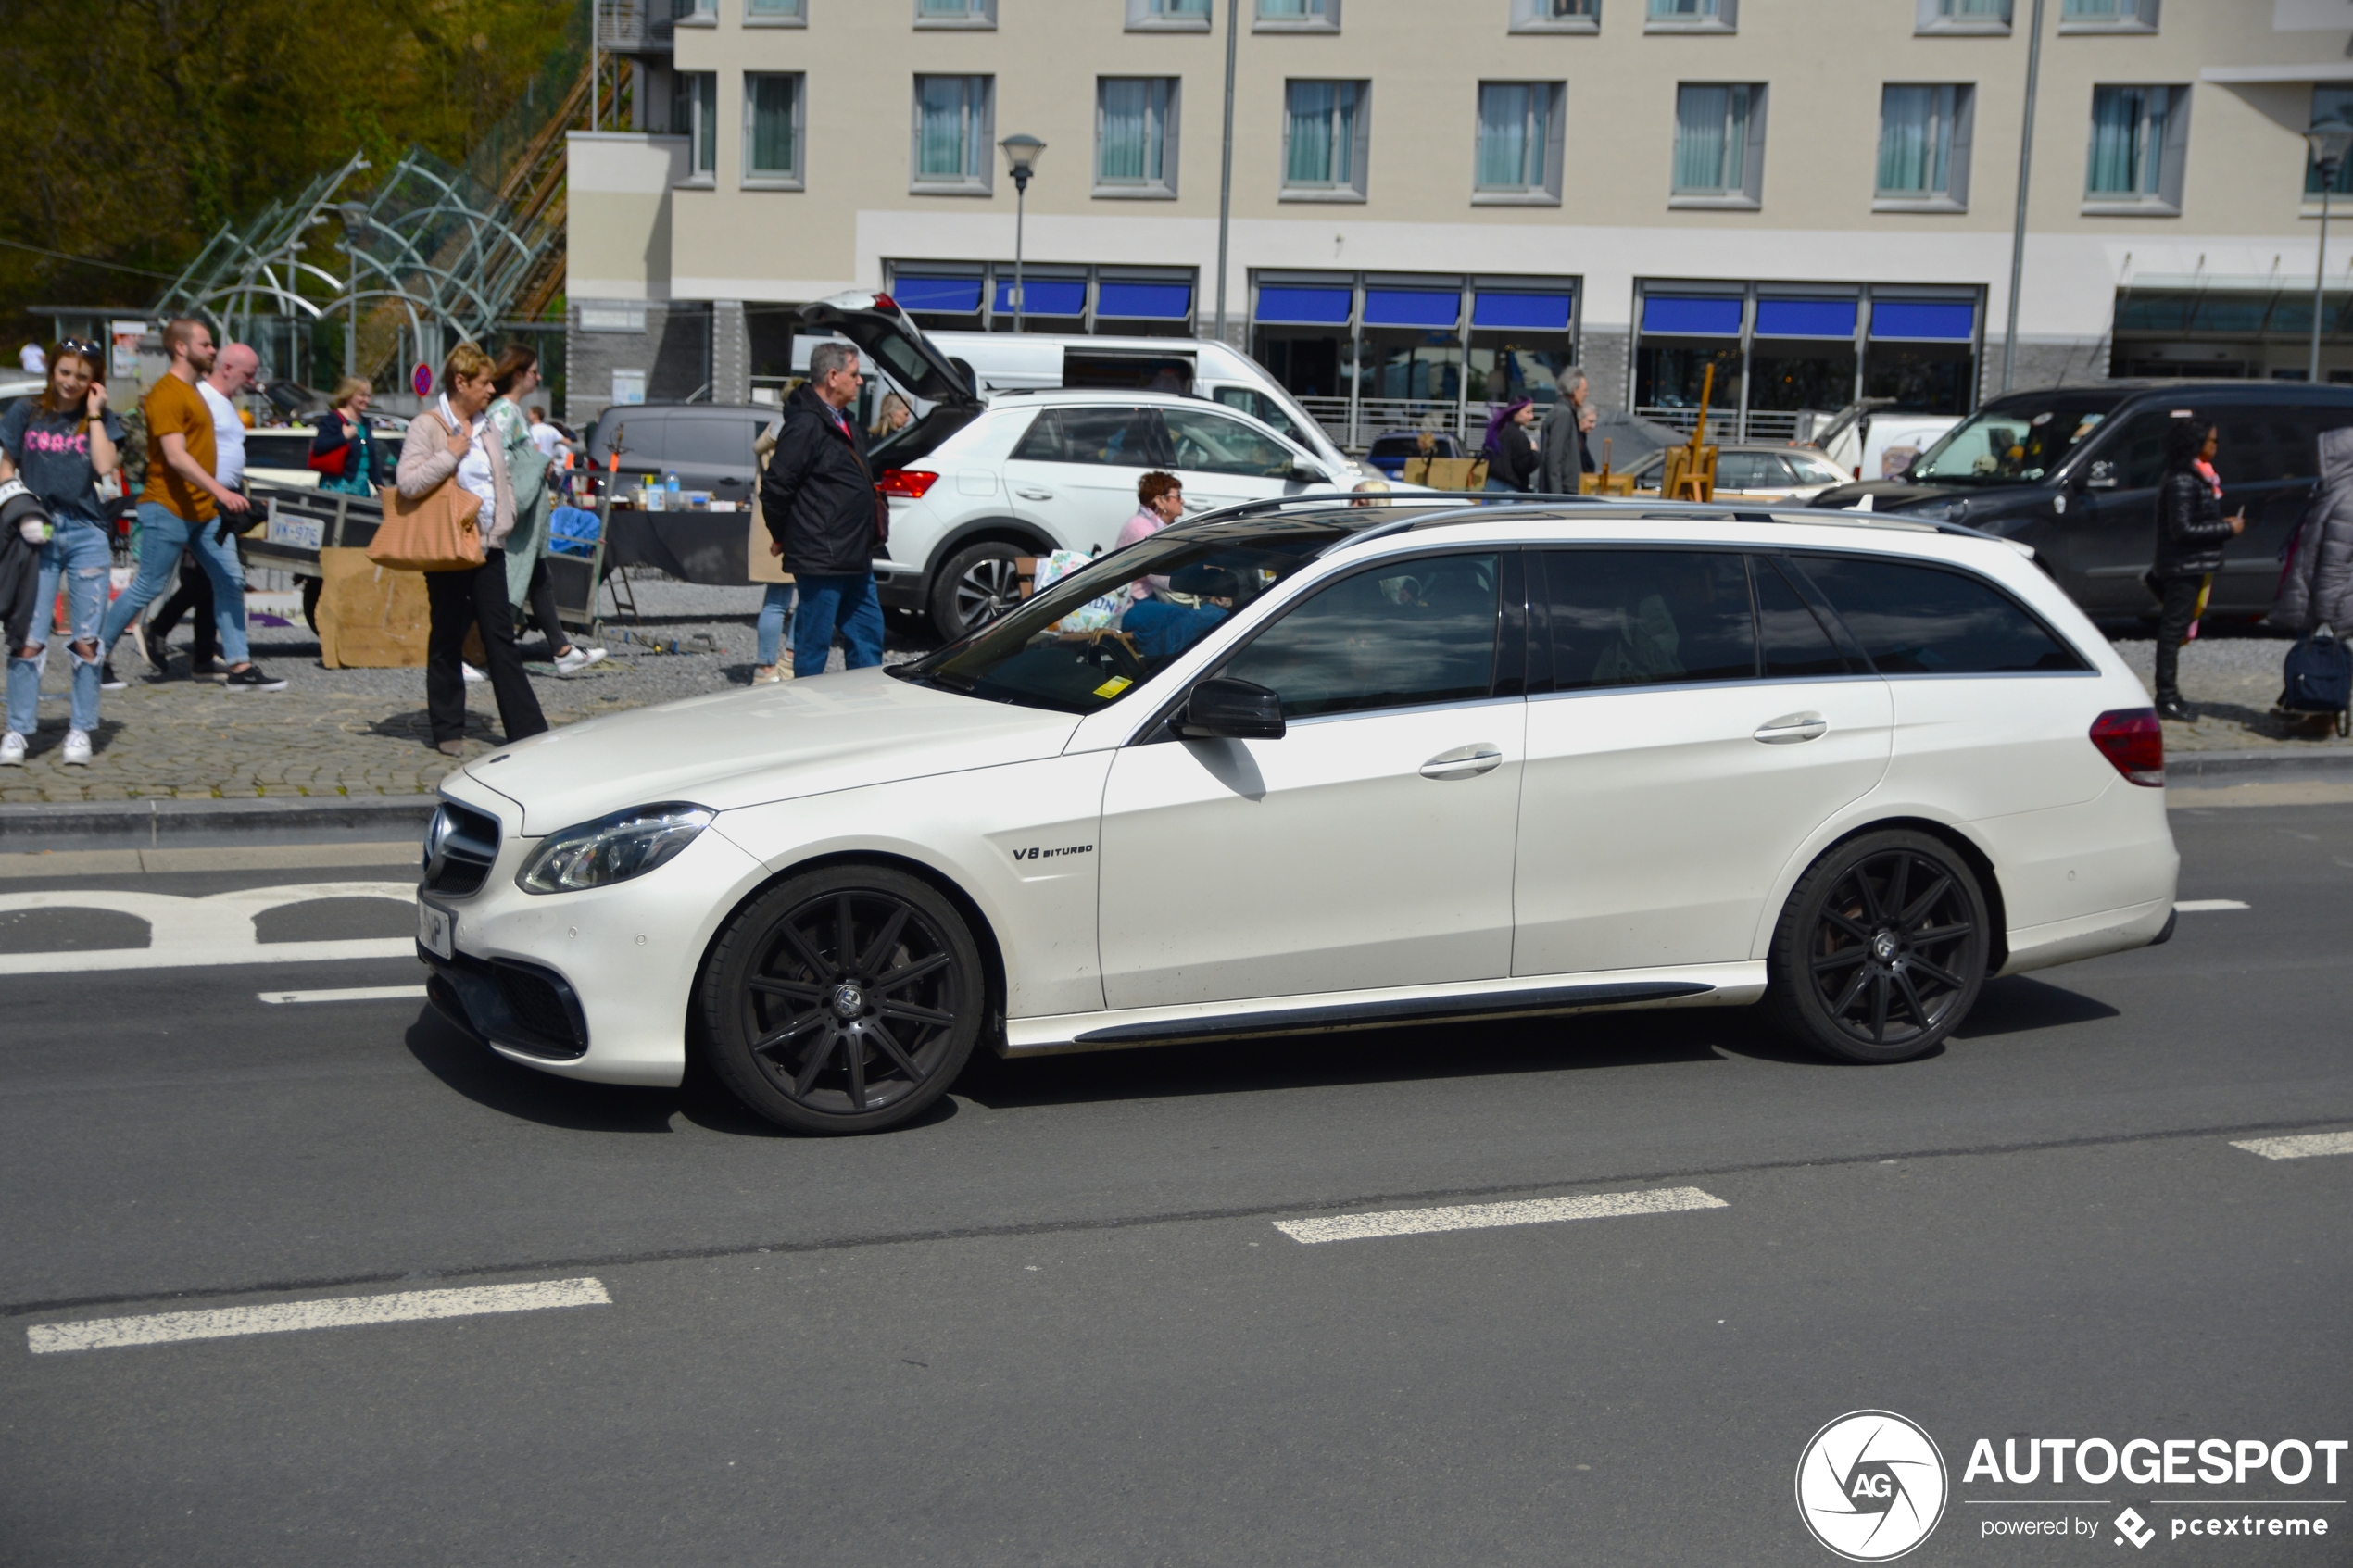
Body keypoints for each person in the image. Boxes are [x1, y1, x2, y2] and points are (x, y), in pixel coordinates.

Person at [95, 319, 284, 692]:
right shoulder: (167, 393)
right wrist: (222, 491)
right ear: (181, 348)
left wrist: (219, 495)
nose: (213, 350)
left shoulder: (195, 391)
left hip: (206, 512)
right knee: (147, 586)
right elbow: (175, 456)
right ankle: (93, 657)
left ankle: (240, 666)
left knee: (230, 581)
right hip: (168, 506)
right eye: (206, 344)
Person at [399, 342, 548, 755]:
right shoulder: (427, 426)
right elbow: (408, 483)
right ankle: (447, 727)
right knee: (447, 635)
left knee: (500, 636)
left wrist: (508, 516)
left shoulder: (488, 425)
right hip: (447, 547)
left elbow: (501, 478)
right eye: (483, 383)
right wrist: (449, 456)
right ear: (460, 382)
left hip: (488, 545)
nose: (490, 390)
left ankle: (527, 729)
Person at [0, 343, 124, 765]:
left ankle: (80, 729)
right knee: (28, 636)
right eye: (65, 372)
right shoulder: (25, 412)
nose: (71, 382)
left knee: (86, 639)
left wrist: (93, 414)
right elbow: (5, 465)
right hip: (39, 524)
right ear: (53, 369)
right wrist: (17, 505)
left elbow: (105, 466)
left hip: (87, 528)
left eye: (82, 376)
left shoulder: (100, 418)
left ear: (95, 382)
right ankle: (17, 730)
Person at [759, 341, 884, 678]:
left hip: (854, 553)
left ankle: (866, 710)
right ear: (832, 376)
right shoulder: (805, 425)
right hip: (822, 555)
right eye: (854, 374)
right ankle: (808, 717)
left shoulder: (846, 422)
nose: (860, 382)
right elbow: (775, 489)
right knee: (813, 645)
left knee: (868, 636)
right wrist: (782, 536)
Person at [145, 341, 259, 678]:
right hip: (200, 500)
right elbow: (179, 453)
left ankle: (203, 655)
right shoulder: (202, 398)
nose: (252, 381)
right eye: (248, 374)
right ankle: (156, 630)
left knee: (215, 579)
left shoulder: (223, 402)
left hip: (223, 499)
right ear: (227, 368)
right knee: (201, 579)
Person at [488, 346, 603, 676]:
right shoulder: (505, 412)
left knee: (539, 576)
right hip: (514, 512)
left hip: (523, 512)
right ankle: (477, 656)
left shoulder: (510, 410)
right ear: (517, 373)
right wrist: (538, 465)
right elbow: (496, 457)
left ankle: (561, 649)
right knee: (517, 578)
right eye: (534, 371)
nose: (539, 377)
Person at [2150, 419, 2246, 722]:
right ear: (2195, 444)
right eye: (2211, 441)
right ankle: (2166, 696)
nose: (2216, 447)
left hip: (2192, 563)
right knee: (2173, 630)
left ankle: (2170, 694)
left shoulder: (2198, 476)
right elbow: (2183, 529)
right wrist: (2226, 528)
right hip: (2182, 565)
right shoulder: (2182, 479)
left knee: (2178, 628)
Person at [2274, 425, 2353, 639]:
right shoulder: (2329, 494)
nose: (2319, 461)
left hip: (2333, 613)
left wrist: (2325, 617)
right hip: (2324, 605)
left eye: (2325, 455)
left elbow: (2336, 564)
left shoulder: (2346, 501)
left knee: (2326, 667)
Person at [1114, 470, 1185, 602]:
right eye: (1178, 496)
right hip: (1132, 600)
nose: (1183, 501)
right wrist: (1201, 584)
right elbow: (1160, 575)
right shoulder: (1140, 527)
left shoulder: (1164, 527)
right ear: (1160, 501)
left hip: (1153, 594)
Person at [309, 376, 382, 497]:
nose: (366, 400)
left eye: (368, 396)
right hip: (337, 488)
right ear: (349, 394)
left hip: (362, 490)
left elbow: (372, 459)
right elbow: (319, 446)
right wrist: (344, 437)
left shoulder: (365, 423)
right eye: (362, 395)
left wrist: (380, 487)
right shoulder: (333, 419)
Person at [1538, 368, 1594, 495]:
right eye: (1584, 390)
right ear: (1575, 391)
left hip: (1567, 490)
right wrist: (1556, 497)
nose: (1587, 394)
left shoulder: (1566, 412)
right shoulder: (1563, 413)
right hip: (1564, 492)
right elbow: (1554, 458)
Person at [1481, 398, 1539, 493]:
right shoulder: (1517, 435)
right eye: (1527, 412)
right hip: (1508, 488)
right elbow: (1524, 466)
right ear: (1515, 412)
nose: (1531, 417)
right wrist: (1534, 453)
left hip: (1492, 484)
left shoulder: (1499, 430)